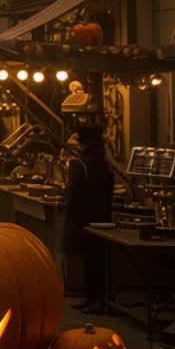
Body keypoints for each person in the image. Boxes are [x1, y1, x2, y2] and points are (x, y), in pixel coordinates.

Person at [62, 126, 113, 314]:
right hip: (100, 215)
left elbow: (73, 189)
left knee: (91, 260)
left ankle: (94, 300)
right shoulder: (103, 161)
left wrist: (65, 203)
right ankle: (94, 299)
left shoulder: (82, 164)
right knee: (95, 259)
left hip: (84, 216)